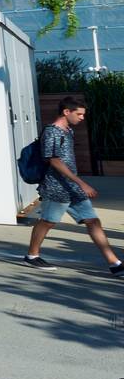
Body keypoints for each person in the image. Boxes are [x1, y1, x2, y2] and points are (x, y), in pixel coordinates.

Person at [24, 97, 124, 275]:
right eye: (79, 114)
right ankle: (32, 255)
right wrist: (81, 183)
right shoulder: (51, 132)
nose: (82, 118)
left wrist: (77, 184)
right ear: (66, 112)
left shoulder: (68, 131)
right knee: (48, 222)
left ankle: (114, 263)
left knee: (92, 220)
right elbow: (53, 160)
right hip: (56, 188)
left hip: (72, 188)